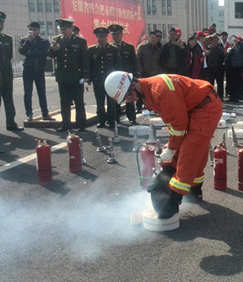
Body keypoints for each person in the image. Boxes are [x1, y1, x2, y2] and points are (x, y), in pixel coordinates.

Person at [104, 71, 223, 218]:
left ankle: (172, 202)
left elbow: (179, 127)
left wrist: (172, 148)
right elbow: (173, 121)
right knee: (192, 152)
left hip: (205, 108)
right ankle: (194, 192)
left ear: (133, 85)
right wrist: (171, 146)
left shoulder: (160, 91)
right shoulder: (148, 92)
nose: (128, 101)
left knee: (189, 153)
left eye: (127, 97)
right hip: (192, 108)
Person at [48, 18, 90, 132]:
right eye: (61, 28)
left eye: (65, 29)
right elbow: (51, 55)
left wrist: (85, 75)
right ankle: (65, 124)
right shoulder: (57, 40)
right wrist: (53, 49)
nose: (63, 31)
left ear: (71, 28)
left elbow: (85, 59)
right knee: (64, 102)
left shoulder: (80, 41)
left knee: (79, 101)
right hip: (63, 76)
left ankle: (81, 124)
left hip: (76, 76)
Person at [18, 21, 54, 121]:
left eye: (35, 30)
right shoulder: (24, 40)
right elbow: (22, 51)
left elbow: (45, 52)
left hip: (39, 70)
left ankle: (45, 114)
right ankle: (29, 114)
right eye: (30, 30)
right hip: (28, 70)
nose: (32, 32)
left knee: (42, 93)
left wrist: (31, 53)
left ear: (39, 30)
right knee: (28, 92)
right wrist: (28, 42)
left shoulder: (44, 41)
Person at [89, 27, 119, 129]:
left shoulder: (113, 49)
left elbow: (117, 66)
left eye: (103, 36)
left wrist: (117, 79)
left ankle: (111, 120)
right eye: (99, 37)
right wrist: (89, 78)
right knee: (99, 102)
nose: (101, 39)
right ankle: (101, 120)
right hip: (98, 79)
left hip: (110, 81)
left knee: (111, 102)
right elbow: (90, 66)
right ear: (96, 37)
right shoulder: (92, 50)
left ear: (107, 37)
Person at [108, 24, 137, 124]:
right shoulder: (109, 48)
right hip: (115, 78)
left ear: (121, 34)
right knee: (115, 98)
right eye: (113, 34)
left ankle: (131, 117)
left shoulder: (129, 47)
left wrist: (135, 75)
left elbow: (134, 62)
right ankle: (115, 118)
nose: (115, 36)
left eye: (117, 34)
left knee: (129, 97)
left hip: (127, 77)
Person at [0, 12, 24, 130]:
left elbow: (8, 57)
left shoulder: (8, 39)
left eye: (2, 23)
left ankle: (11, 123)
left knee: (9, 100)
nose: (0, 25)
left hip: (6, 74)